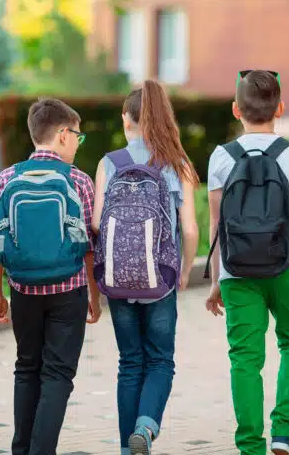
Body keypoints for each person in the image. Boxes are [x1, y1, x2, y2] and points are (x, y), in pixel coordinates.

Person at [205, 70, 289, 455]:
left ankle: (250, 446)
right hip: (288, 268)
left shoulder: (221, 156)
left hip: (236, 271)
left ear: (235, 109)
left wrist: (215, 281)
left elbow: (216, 224)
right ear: (280, 108)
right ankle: (283, 431)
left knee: (245, 356)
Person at [0, 98, 102, 455]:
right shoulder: (79, 182)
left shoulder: (6, 178)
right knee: (57, 375)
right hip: (69, 290)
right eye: (78, 138)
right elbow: (88, 247)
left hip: (23, 289)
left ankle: (21, 448)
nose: (78, 144)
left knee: (26, 368)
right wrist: (94, 297)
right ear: (64, 135)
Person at [91, 79, 200, 455]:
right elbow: (188, 228)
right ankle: (146, 427)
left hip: (119, 279)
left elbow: (95, 223)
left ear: (126, 119)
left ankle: (127, 448)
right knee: (160, 360)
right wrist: (184, 270)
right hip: (161, 278)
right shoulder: (177, 163)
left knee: (130, 362)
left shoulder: (109, 163)